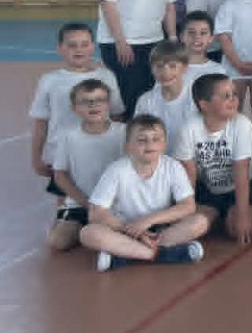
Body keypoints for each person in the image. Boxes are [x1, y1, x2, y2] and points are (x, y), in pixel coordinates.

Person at [82, 116, 208, 272]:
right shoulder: (116, 170)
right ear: (128, 147)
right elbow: (96, 213)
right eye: (142, 140)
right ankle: (162, 254)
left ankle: (126, 255)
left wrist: (148, 221)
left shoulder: (173, 167)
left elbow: (188, 206)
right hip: (125, 231)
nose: (150, 144)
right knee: (88, 233)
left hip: (161, 231)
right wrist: (133, 230)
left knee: (200, 222)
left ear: (164, 145)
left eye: (156, 139)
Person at [176, 72, 252, 245]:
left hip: (244, 186)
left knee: (238, 228)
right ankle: (216, 216)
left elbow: (241, 173)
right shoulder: (189, 128)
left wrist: (242, 215)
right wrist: (187, 212)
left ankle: (228, 216)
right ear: (204, 105)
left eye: (234, 94)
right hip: (209, 190)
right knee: (193, 224)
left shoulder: (242, 124)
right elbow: (189, 176)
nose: (233, 99)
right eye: (225, 96)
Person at [29, 22, 124, 184]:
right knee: (65, 194)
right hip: (61, 153)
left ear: (92, 47)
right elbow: (40, 121)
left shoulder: (106, 76)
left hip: (101, 151)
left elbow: (116, 115)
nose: (79, 50)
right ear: (60, 48)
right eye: (72, 45)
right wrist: (36, 158)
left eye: (84, 44)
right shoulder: (49, 80)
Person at [47, 80, 125, 252]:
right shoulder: (68, 137)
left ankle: (100, 234)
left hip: (115, 205)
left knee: (113, 231)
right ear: (74, 108)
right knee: (58, 242)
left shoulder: (124, 132)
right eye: (85, 101)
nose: (93, 105)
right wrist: (87, 203)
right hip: (81, 203)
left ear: (108, 104)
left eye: (99, 100)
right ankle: (78, 225)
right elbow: (60, 175)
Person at [131, 40, 196, 150]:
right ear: (152, 69)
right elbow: (138, 134)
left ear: (184, 68)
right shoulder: (146, 100)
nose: (165, 72)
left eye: (172, 66)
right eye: (159, 66)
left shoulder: (195, 97)